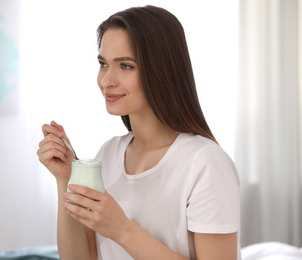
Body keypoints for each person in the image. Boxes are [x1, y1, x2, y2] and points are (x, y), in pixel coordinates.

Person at [37, 5, 240, 260]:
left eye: (125, 66)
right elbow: (82, 257)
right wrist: (66, 179)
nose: (106, 81)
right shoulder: (109, 154)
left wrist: (121, 229)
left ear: (161, 69)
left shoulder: (205, 163)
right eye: (103, 64)